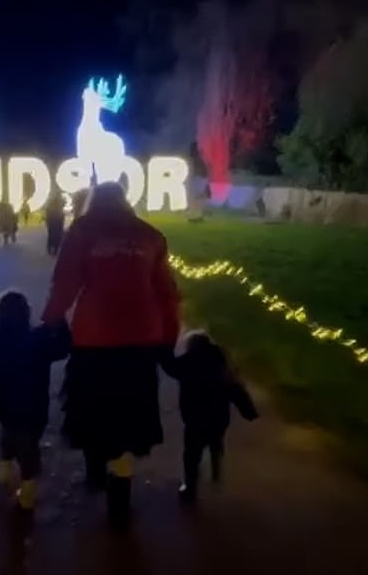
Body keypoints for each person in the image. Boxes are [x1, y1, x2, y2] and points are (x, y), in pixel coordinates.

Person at [42, 181, 180, 529]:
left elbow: (65, 282)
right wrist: (168, 338)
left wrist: (51, 320)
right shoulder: (150, 236)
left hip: (94, 337)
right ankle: (120, 491)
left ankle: (94, 472)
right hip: (140, 339)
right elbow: (167, 294)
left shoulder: (84, 230)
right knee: (130, 416)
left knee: (91, 407)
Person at [0, 291, 71, 511]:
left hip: (6, 410)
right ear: (27, 314)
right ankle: (27, 491)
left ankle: (4, 470)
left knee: (8, 435)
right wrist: (60, 320)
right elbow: (64, 347)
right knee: (29, 452)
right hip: (34, 412)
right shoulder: (39, 340)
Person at [163, 330, 258, 503]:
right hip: (219, 417)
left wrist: (163, 346)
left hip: (195, 418)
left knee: (192, 454)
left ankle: (190, 489)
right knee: (215, 438)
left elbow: (170, 367)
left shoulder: (188, 362)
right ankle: (215, 466)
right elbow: (237, 391)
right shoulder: (222, 364)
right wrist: (249, 412)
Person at [44, 191, 65, 256]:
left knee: (52, 234)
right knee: (56, 235)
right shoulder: (57, 204)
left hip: (53, 220)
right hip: (56, 220)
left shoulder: (52, 204)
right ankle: (53, 249)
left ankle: (51, 248)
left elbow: (48, 213)